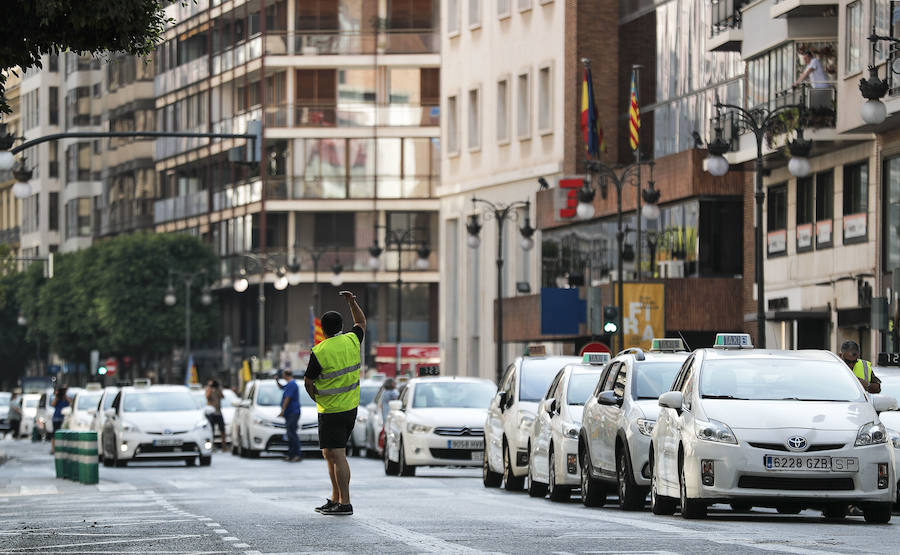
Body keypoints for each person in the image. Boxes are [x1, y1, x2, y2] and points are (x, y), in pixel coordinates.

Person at [304, 291, 365, 516]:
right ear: (340, 326)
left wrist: (316, 398)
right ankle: (335, 498)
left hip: (331, 411)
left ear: (323, 329)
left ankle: (345, 503)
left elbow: (308, 381)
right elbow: (360, 321)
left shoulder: (320, 351)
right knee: (330, 453)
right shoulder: (352, 339)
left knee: (337, 455)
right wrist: (352, 302)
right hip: (350, 409)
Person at [276, 369, 302, 462]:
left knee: (292, 433)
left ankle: (297, 454)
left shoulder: (292, 384)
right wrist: (277, 381)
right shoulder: (290, 384)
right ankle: (291, 454)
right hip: (290, 412)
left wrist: (283, 410)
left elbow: (288, 398)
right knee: (290, 433)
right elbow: (282, 387)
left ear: (286, 375)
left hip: (292, 412)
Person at [205, 380, 227, 451]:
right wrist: (210, 388)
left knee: (222, 430)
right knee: (211, 431)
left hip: (218, 412)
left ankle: (224, 447)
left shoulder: (218, 389)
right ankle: (211, 447)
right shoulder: (208, 389)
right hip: (211, 413)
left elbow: (222, 396)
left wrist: (218, 389)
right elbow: (207, 397)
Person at [50, 386, 71, 454]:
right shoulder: (57, 398)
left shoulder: (66, 398)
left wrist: (65, 396)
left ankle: (64, 447)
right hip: (56, 418)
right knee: (54, 434)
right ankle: (53, 448)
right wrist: (57, 396)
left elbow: (71, 403)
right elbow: (52, 404)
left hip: (65, 418)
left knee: (65, 433)